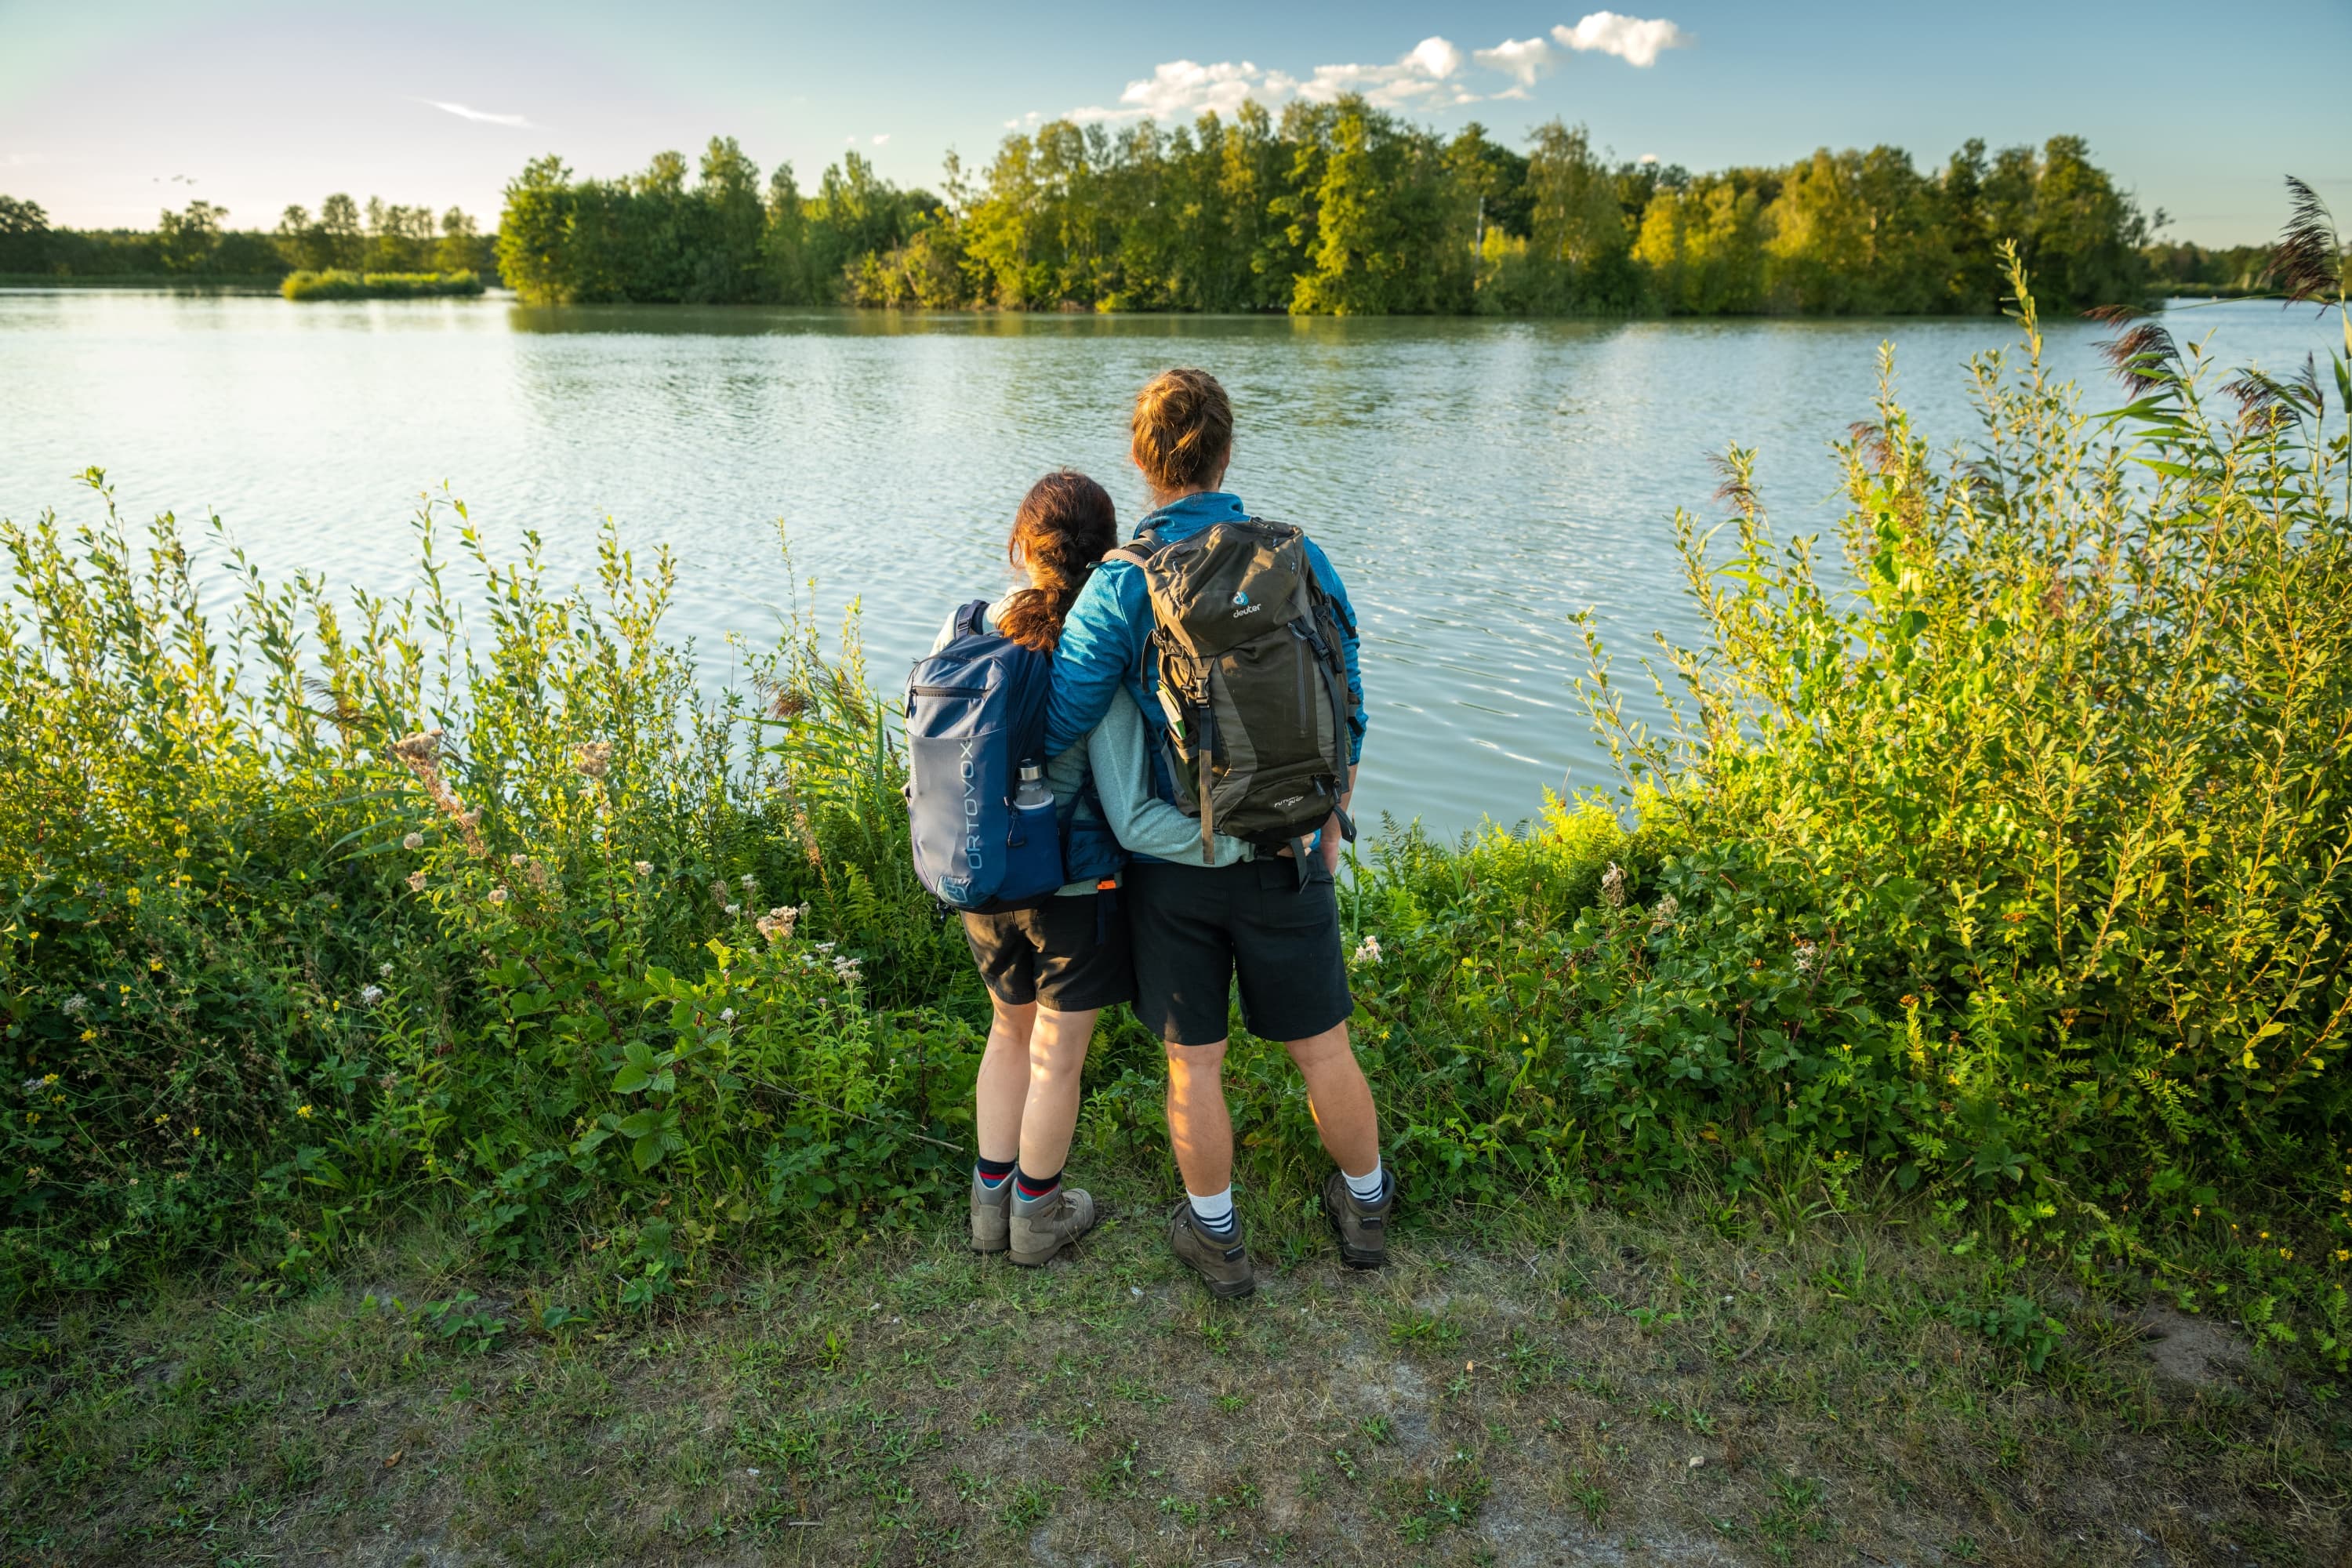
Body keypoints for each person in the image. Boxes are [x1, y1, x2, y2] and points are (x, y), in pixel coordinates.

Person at [1043, 367, 1392, 1299]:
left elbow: (1066, 713)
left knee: (1194, 1062)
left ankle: (1217, 1236)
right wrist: (1331, 809)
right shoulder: (1297, 555)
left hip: (1178, 858)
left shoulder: (1123, 582)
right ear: (1228, 453)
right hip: (1290, 846)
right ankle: (1366, 1207)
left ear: (1141, 460)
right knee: (1324, 1045)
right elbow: (1350, 693)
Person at [951, 469, 1254, 1268]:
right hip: (1072, 888)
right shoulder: (1095, 653)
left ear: (1020, 547)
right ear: (1108, 548)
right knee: (1057, 1056)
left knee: (1006, 1033)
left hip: (981, 873)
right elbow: (1128, 812)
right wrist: (1235, 841)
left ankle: (988, 1213)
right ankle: (1038, 1219)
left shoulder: (969, 626)